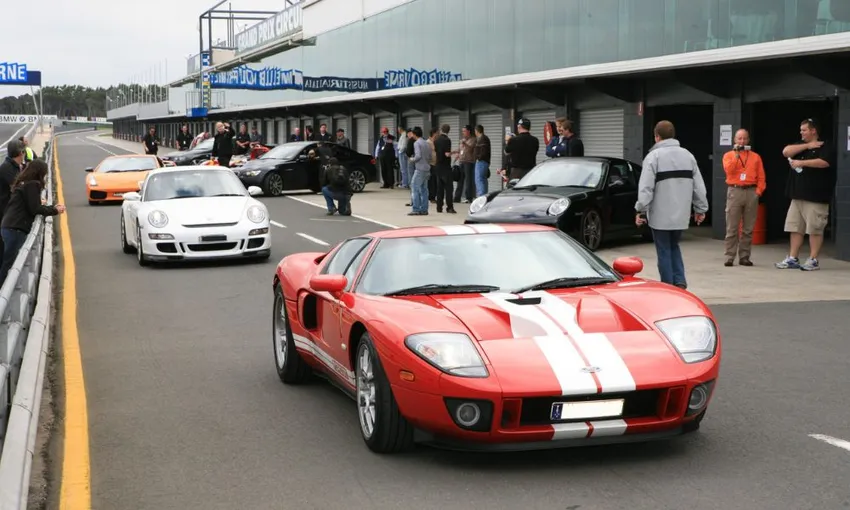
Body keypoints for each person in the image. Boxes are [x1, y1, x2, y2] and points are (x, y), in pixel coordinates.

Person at [635, 120, 709, 289]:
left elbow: (646, 187)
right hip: (681, 215)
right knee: (674, 246)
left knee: (663, 250)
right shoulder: (688, 156)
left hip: (659, 215)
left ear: (657, 137)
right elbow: (699, 186)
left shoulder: (653, 157)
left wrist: (640, 209)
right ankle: (680, 281)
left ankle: (668, 285)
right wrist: (700, 208)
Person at [775, 118, 835, 271]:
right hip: (797, 196)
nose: (801, 132)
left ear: (813, 130)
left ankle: (813, 259)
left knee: (815, 229)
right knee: (795, 228)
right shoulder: (801, 145)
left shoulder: (825, 145)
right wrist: (808, 145)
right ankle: (792, 258)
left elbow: (825, 162)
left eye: (804, 130)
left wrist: (802, 163)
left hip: (815, 197)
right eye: (801, 130)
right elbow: (786, 151)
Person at [0, 159, 65, 284]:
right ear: (40, 173)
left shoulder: (23, 183)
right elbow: (35, 208)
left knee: (8, 262)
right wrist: (55, 210)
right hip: (16, 228)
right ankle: (3, 293)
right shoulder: (33, 185)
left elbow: (31, 204)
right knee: (9, 264)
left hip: (8, 226)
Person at [722, 129, 766, 267]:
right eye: (739, 139)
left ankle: (745, 256)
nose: (742, 141)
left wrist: (758, 191)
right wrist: (736, 155)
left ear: (748, 140)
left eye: (745, 139)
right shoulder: (728, 155)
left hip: (751, 191)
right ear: (735, 140)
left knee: (748, 228)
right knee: (732, 227)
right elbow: (729, 170)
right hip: (735, 190)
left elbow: (761, 176)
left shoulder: (755, 157)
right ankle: (729, 256)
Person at [409, 127, 432, 216]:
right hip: (427, 168)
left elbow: (418, 156)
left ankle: (416, 209)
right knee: (424, 189)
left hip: (419, 169)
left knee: (414, 187)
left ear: (414, 134)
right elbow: (430, 156)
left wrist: (412, 159)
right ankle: (424, 209)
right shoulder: (427, 143)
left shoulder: (416, 143)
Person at [432, 124, 455, 214]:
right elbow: (447, 154)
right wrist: (454, 152)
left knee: (439, 188)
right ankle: (449, 207)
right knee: (449, 188)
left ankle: (439, 207)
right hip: (446, 166)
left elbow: (436, 150)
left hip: (438, 166)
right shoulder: (447, 140)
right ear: (448, 131)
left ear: (441, 130)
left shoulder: (436, 140)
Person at [472, 125, 491, 197]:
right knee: (483, 179)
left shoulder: (483, 139)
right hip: (483, 162)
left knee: (479, 179)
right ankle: (484, 196)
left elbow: (484, 151)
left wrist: (478, 158)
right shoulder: (482, 138)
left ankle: (481, 196)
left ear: (476, 131)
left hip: (481, 162)